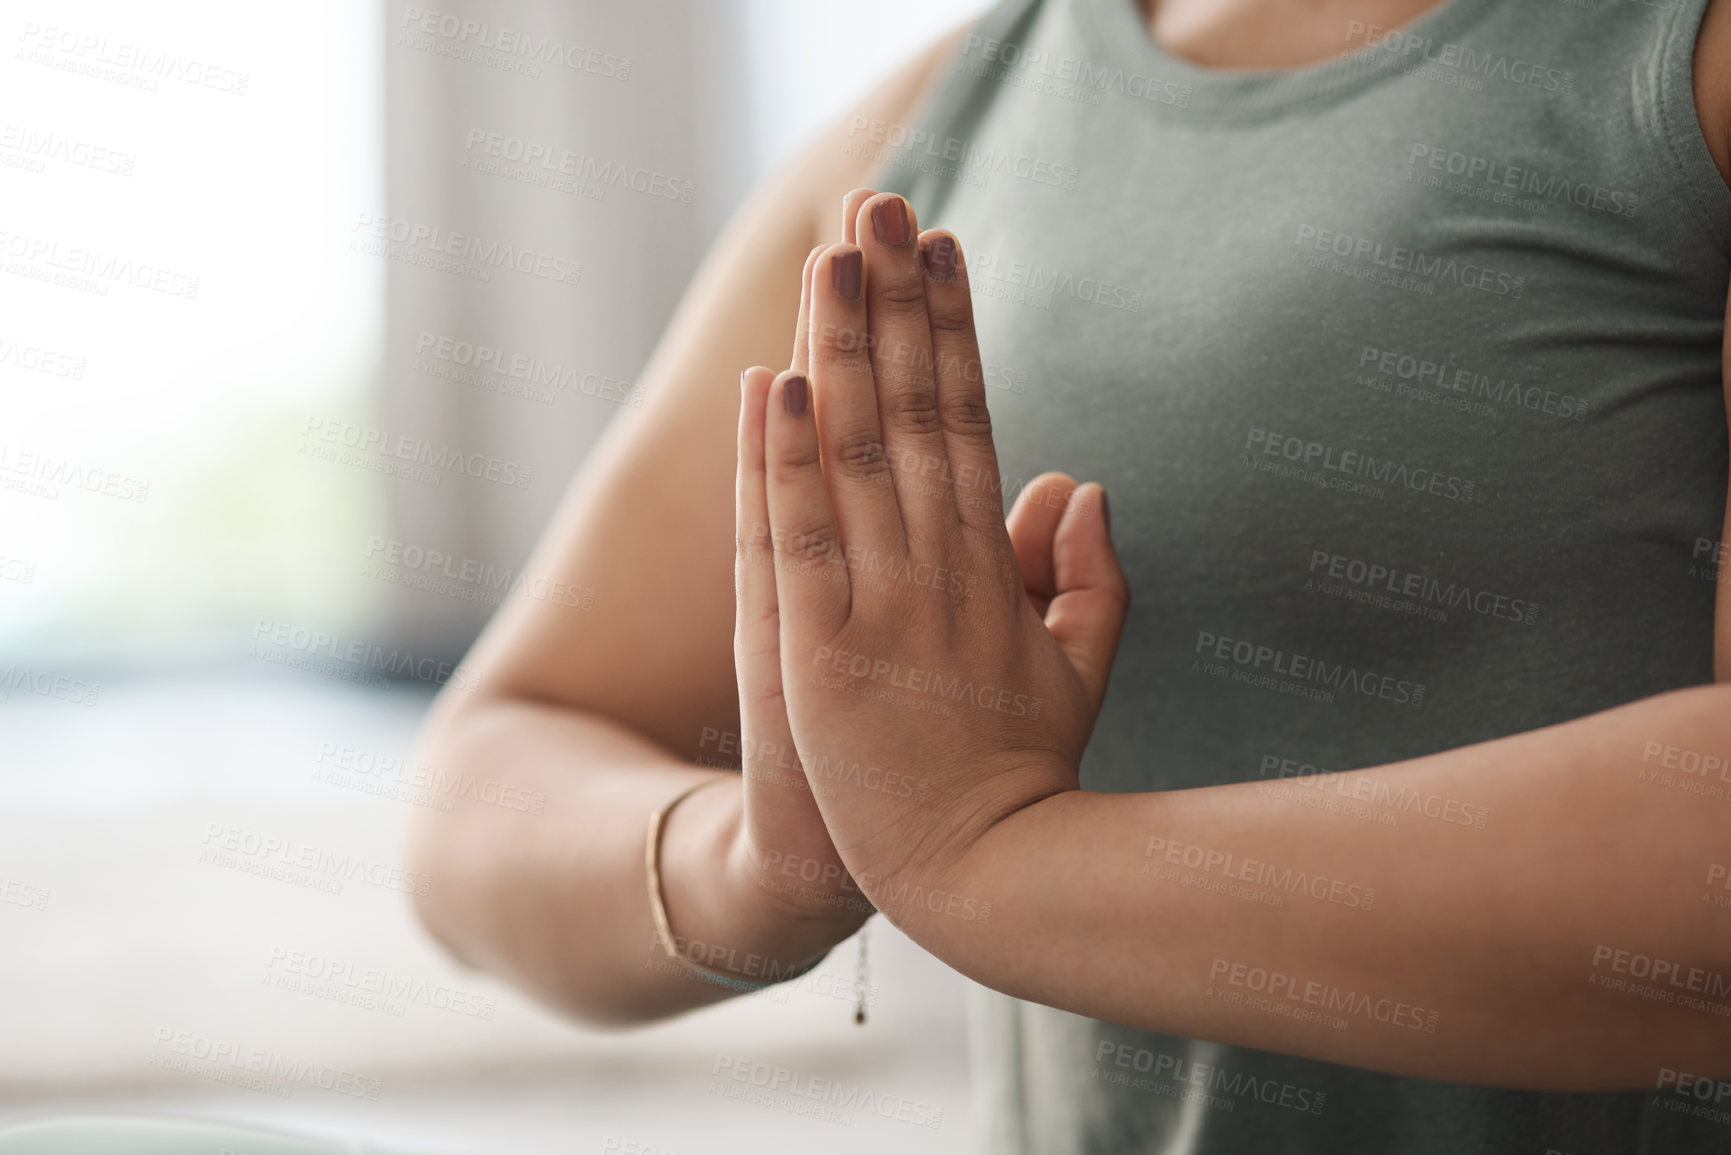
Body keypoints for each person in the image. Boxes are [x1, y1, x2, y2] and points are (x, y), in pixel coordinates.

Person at [407, 0, 1731, 1150]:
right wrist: (765, 861)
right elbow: (489, 782)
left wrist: (989, 856)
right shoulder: (945, 115)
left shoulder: (1680, 65)